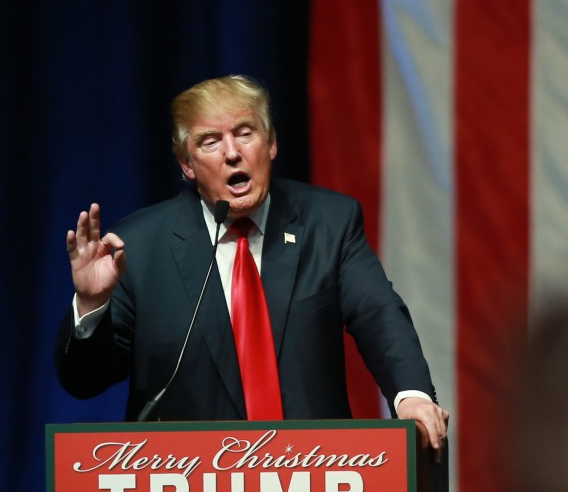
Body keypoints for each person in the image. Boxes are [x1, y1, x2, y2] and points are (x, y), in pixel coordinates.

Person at [56, 74, 449, 449]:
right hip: (188, 491)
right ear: (187, 165)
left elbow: (379, 314)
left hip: (315, 479)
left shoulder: (328, 224)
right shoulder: (140, 246)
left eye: (245, 133)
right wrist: (92, 305)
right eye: (210, 141)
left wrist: (410, 396)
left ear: (272, 143)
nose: (232, 153)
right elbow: (84, 382)